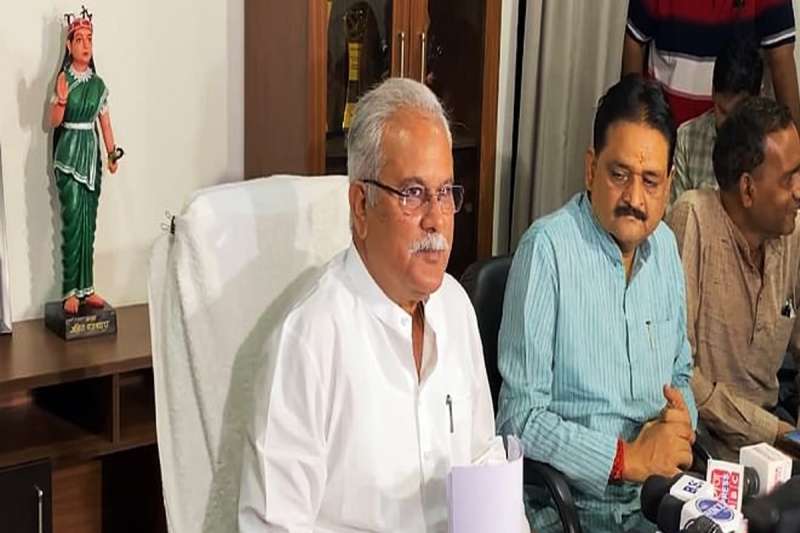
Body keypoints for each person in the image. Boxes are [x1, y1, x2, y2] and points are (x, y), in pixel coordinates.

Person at [238, 78, 520, 532]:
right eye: (413, 194)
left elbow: (483, 465)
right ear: (360, 206)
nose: (436, 219)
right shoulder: (308, 339)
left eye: (445, 193)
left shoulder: (455, 306)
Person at [497, 75, 697, 533]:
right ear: (591, 169)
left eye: (650, 181)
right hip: (572, 512)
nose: (634, 199)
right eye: (618, 175)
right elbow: (517, 421)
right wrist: (626, 458)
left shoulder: (666, 248)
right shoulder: (547, 251)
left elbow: (682, 374)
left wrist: (681, 421)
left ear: (669, 184)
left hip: (657, 501)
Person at [667, 96, 800, 460]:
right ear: (747, 189)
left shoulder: (792, 233)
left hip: (778, 441)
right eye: (788, 178)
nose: (799, 191)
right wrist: (775, 432)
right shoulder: (693, 219)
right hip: (703, 444)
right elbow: (679, 374)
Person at [622, 0, 800, 128]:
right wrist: (631, 122)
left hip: (738, 140)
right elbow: (635, 41)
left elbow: (781, 61)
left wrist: (794, 152)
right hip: (663, 130)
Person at [49, 7, 121, 315]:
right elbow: (54, 121)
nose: (85, 45)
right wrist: (62, 100)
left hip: (91, 158)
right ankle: (70, 289)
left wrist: (112, 152)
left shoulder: (98, 85)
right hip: (69, 156)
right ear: (69, 46)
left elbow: (105, 122)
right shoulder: (64, 80)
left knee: (89, 222)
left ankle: (87, 287)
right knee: (73, 221)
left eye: (89, 39)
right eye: (79, 39)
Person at [671, 38, 763, 206]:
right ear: (713, 92)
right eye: (722, 110)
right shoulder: (687, 138)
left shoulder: (771, 147)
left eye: (736, 114)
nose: (727, 124)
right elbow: (677, 213)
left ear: (755, 100)